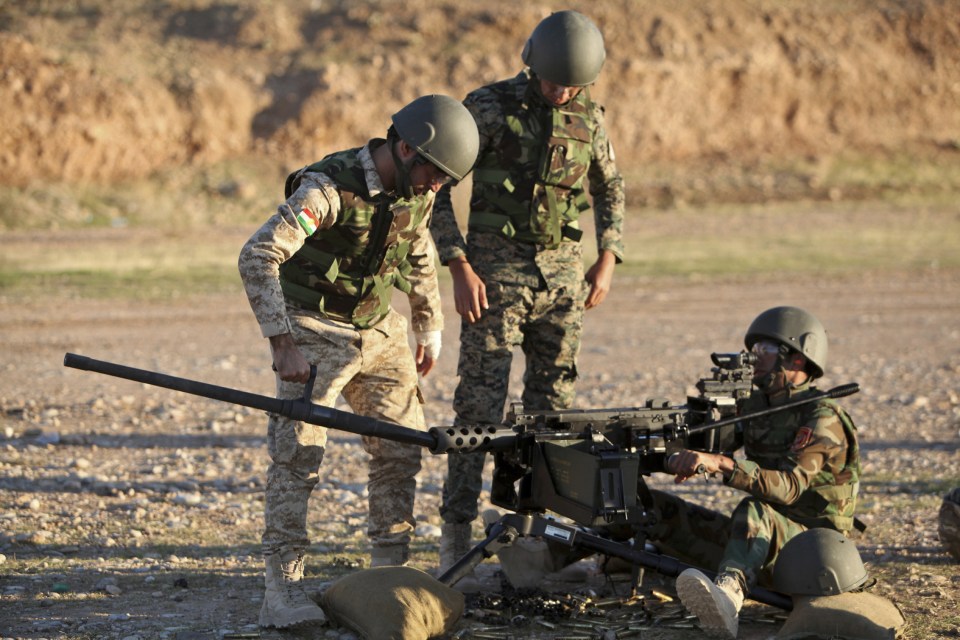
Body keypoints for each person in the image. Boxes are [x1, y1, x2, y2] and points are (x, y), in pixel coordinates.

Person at [238, 94, 480, 629]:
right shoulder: (328, 189)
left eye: (445, 181)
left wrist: (427, 323)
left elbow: (416, 247)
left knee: (403, 447)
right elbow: (258, 254)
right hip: (313, 326)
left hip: (377, 325)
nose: (436, 188)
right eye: (434, 175)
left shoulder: (421, 186)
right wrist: (283, 343)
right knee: (298, 456)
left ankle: (388, 575)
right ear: (406, 147)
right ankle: (282, 589)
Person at [430, 10, 626, 574]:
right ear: (530, 62)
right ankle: (454, 535)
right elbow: (437, 186)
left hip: (564, 284)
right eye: (551, 80)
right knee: (478, 411)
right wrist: (458, 263)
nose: (559, 91)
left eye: (571, 85)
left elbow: (610, 186)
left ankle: (537, 531)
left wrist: (607, 256)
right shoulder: (488, 107)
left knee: (553, 414)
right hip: (494, 281)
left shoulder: (589, 117)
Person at [650, 306, 862, 639]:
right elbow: (711, 444)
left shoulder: (822, 416)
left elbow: (789, 488)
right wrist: (664, 446)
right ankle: (549, 559)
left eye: (765, 350)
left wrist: (721, 464)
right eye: (753, 350)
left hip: (817, 553)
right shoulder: (755, 405)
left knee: (753, 511)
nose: (754, 358)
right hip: (760, 544)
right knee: (655, 507)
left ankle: (728, 599)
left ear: (797, 359)